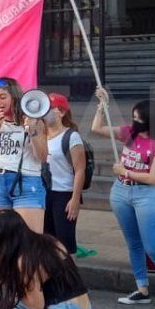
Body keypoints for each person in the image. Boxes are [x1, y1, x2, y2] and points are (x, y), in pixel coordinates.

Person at [92, 89, 155, 309]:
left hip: (146, 195)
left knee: (154, 248)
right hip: (121, 193)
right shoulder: (129, 134)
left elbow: (154, 178)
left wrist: (124, 171)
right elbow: (97, 129)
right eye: (133, 117)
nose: (134, 122)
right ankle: (141, 289)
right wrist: (102, 105)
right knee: (133, 244)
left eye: (139, 119)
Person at [0, 77, 48, 237]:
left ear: (14, 97)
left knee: (30, 241)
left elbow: (42, 157)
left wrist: (33, 132)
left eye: (3, 97)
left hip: (26, 180)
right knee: (3, 241)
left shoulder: (33, 120)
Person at [43, 93, 87, 258]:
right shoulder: (40, 135)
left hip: (64, 193)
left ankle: (70, 278)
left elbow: (80, 169)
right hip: (44, 192)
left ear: (60, 112)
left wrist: (75, 199)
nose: (44, 113)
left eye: (49, 109)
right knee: (47, 241)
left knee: (65, 242)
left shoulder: (71, 136)